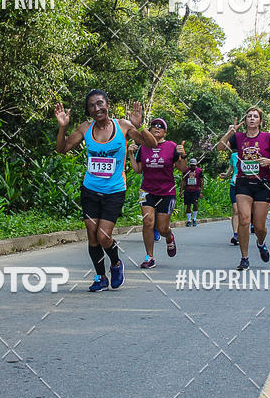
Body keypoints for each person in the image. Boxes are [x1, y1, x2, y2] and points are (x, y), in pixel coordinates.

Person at [55, 91, 157, 291]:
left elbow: (151, 144)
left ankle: (116, 264)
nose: (97, 108)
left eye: (100, 103)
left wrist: (139, 126)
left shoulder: (123, 126)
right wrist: (62, 128)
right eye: (92, 105)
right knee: (92, 235)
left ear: (108, 104)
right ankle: (100, 277)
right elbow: (62, 148)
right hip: (90, 190)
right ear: (89, 110)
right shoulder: (85, 128)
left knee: (103, 235)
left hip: (114, 191)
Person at [217, 108, 270, 270]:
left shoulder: (268, 137)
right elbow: (220, 148)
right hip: (243, 183)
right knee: (244, 219)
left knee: (259, 226)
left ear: (260, 121)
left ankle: (261, 243)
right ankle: (244, 258)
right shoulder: (238, 137)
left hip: (262, 184)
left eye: (255, 116)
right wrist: (229, 131)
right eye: (249, 116)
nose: (252, 119)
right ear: (245, 121)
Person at [128, 117, 187, 268]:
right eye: (153, 125)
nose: (156, 128)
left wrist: (183, 154)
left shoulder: (172, 146)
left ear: (165, 132)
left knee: (162, 228)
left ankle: (169, 237)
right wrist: (130, 155)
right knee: (147, 222)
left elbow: (181, 168)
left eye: (160, 126)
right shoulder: (143, 147)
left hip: (166, 192)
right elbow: (137, 170)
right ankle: (149, 257)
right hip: (147, 190)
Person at [220, 149, 239, 245]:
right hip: (234, 185)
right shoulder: (234, 156)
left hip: (247, 185)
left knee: (245, 211)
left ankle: (243, 231)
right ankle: (236, 235)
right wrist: (226, 174)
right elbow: (232, 167)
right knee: (235, 209)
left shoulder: (252, 154)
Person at [180, 157, 203, 226]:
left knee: (195, 204)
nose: (193, 166)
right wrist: (181, 191)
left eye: (194, 165)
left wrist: (201, 191)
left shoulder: (199, 171)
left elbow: (201, 181)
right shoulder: (186, 171)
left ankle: (194, 219)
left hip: (195, 190)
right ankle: (189, 220)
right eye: (191, 165)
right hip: (187, 190)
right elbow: (183, 181)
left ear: (196, 165)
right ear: (190, 165)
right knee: (188, 205)